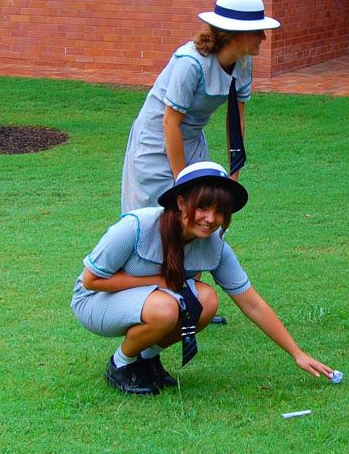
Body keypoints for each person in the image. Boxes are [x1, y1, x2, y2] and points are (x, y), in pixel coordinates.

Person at [72, 161, 335, 395]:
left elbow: (251, 302)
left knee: (206, 300)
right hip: (95, 301)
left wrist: (297, 354)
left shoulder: (214, 245)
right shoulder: (138, 226)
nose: (211, 219)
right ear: (181, 203)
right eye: (202, 207)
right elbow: (91, 281)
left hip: (147, 301)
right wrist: (158, 282)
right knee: (165, 308)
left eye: (220, 211)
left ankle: (147, 358)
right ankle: (120, 365)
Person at [120, 0, 280, 213]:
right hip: (155, 142)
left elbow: (236, 120)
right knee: (158, 217)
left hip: (193, 141)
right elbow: (170, 122)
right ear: (235, 34)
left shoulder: (243, 63)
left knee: (201, 212)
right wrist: (181, 184)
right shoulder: (190, 64)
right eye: (257, 31)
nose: (263, 37)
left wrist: (233, 179)